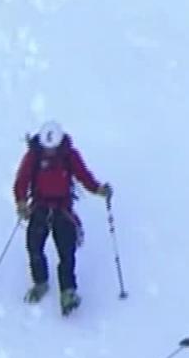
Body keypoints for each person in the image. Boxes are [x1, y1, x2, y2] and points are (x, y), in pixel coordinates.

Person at [11, 121, 113, 315]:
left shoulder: (69, 155)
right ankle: (40, 282)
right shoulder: (33, 156)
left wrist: (99, 189)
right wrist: (22, 202)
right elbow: (22, 180)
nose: (49, 152)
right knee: (34, 247)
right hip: (39, 207)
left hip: (62, 208)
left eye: (53, 148)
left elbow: (83, 175)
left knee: (67, 251)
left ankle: (68, 291)